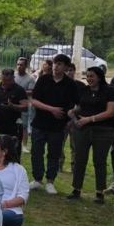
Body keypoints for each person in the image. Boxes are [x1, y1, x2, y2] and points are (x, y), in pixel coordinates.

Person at [30, 53, 80, 195]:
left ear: (65, 67)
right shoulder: (43, 79)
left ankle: (50, 181)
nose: (56, 66)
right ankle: (37, 179)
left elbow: (79, 104)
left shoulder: (70, 84)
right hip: (40, 122)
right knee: (36, 151)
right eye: (55, 63)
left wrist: (72, 112)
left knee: (54, 153)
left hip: (58, 125)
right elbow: (34, 101)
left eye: (59, 64)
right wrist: (51, 109)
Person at [68, 66, 114, 204]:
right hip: (82, 130)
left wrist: (90, 119)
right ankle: (76, 189)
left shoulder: (110, 91)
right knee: (79, 159)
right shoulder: (83, 90)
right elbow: (81, 106)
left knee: (99, 161)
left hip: (103, 130)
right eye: (87, 76)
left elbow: (110, 112)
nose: (89, 79)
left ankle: (99, 192)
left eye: (92, 76)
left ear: (99, 77)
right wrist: (73, 111)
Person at [0, 68, 29, 159]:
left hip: (14, 125)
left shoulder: (19, 90)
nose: (7, 82)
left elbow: (25, 107)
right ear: (1, 77)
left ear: (13, 78)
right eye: (4, 80)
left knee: (13, 151)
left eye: (9, 80)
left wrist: (13, 106)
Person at [14, 57, 37, 153]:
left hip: (25, 105)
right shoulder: (13, 76)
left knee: (24, 126)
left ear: (25, 66)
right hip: (14, 104)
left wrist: (19, 91)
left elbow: (31, 91)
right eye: (18, 64)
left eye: (21, 65)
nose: (19, 66)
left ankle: (24, 146)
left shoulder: (30, 79)